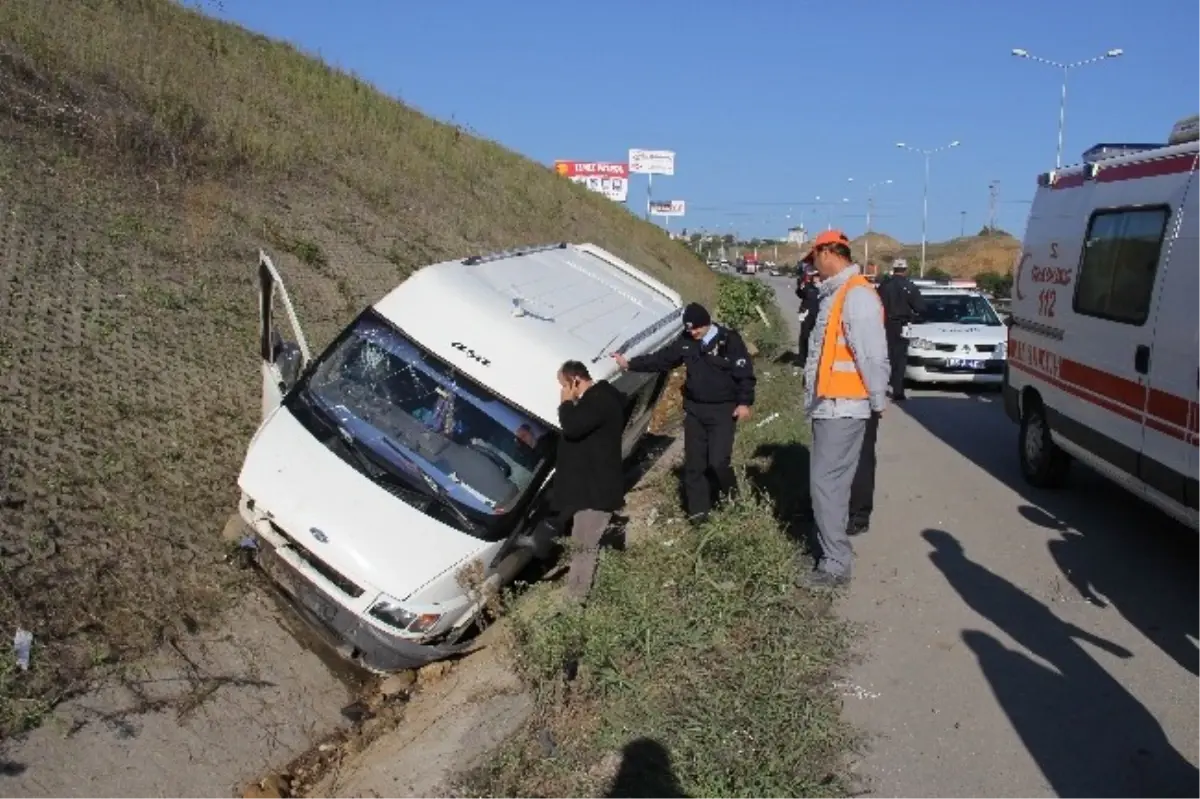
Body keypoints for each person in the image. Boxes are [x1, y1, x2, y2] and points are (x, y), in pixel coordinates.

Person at [798, 230, 889, 589]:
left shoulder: (856, 297)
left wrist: (878, 400)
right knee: (829, 485)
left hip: (844, 406)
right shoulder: (839, 294)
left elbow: (872, 354)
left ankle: (835, 564)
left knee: (826, 486)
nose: (812, 267)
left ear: (827, 252)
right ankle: (831, 555)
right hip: (831, 405)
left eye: (813, 259)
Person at [614, 302, 755, 525]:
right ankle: (699, 518)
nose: (693, 333)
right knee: (694, 467)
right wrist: (630, 364)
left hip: (723, 411)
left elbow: (744, 372)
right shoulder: (686, 342)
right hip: (695, 411)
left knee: (718, 461)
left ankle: (733, 501)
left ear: (707, 323)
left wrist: (744, 402)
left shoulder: (729, 340)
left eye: (697, 328)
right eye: (690, 329)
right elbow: (662, 359)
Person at [552, 360, 626, 603]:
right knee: (580, 544)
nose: (562, 390)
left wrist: (565, 403)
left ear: (575, 380)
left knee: (584, 547)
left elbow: (572, 427)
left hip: (597, 490)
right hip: (591, 488)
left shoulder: (597, 401)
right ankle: (575, 596)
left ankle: (576, 601)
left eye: (564, 385)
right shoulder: (600, 399)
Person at [875, 257, 926, 402]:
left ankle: (880, 387)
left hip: (885, 324)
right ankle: (898, 391)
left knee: (885, 356)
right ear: (905, 269)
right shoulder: (909, 286)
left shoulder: (884, 286)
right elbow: (921, 307)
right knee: (900, 358)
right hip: (903, 325)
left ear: (894, 269)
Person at [795, 267, 821, 365]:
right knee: (805, 336)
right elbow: (799, 293)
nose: (816, 278)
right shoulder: (807, 287)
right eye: (815, 276)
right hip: (806, 315)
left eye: (818, 276)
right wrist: (801, 283)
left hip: (818, 315)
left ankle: (815, 358)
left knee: (817, 338)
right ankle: (802, 358)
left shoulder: (824, 288)